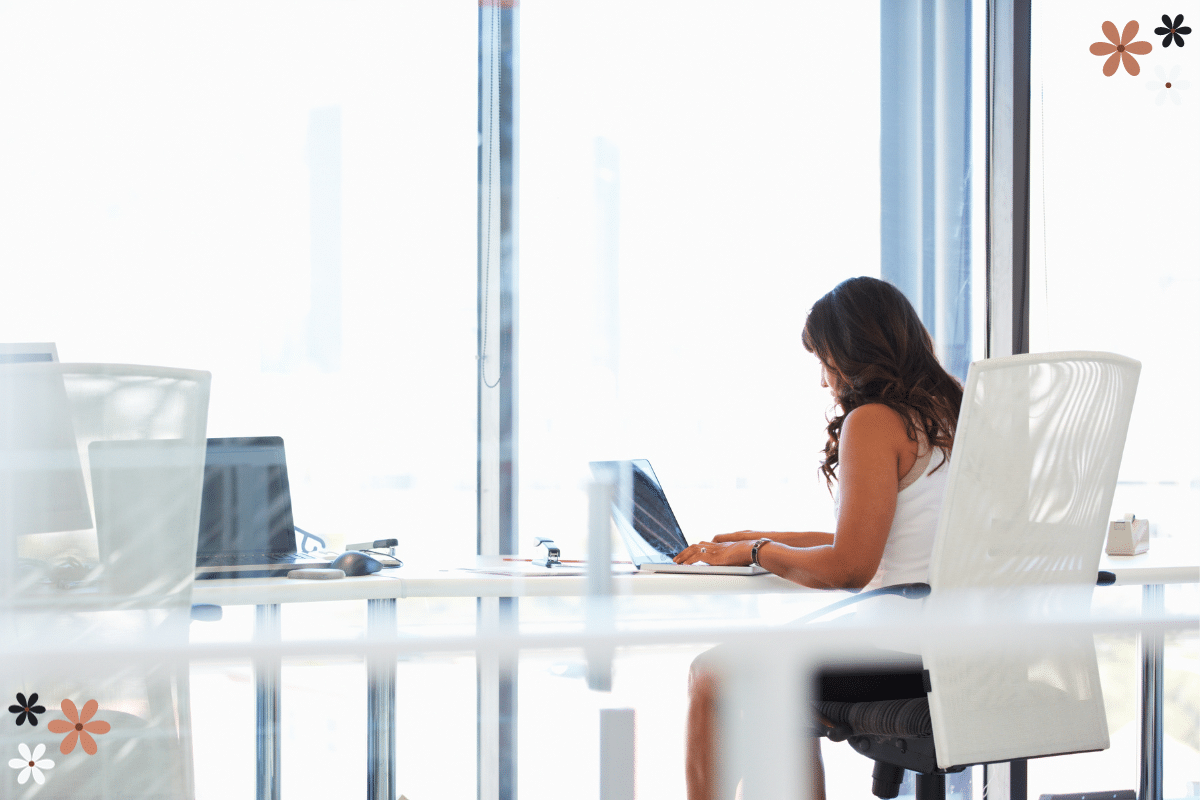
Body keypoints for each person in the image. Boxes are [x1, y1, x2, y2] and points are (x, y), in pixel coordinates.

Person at [673, 276, 964, 800]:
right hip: (968, 653)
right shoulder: (954, 411)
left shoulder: (875, 420)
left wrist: (758, 553)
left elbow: (851, 567)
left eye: (825, 361)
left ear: (854, 355)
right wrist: (759, 537)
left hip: (901, 659)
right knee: (777, 675)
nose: (825, 380)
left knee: (714, 673)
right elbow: (889, 536)